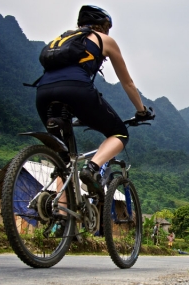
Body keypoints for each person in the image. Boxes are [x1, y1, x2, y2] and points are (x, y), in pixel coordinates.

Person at [36, 5, 153, 197]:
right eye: (107, 26)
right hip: (76, 90)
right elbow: (128, 83)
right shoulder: (104, 40)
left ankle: (63, 217)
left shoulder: (63, 39)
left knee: (63, 160)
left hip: (43, 93)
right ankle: (90, 168)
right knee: (119, 133)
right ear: (101, 26)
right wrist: (141, 111)